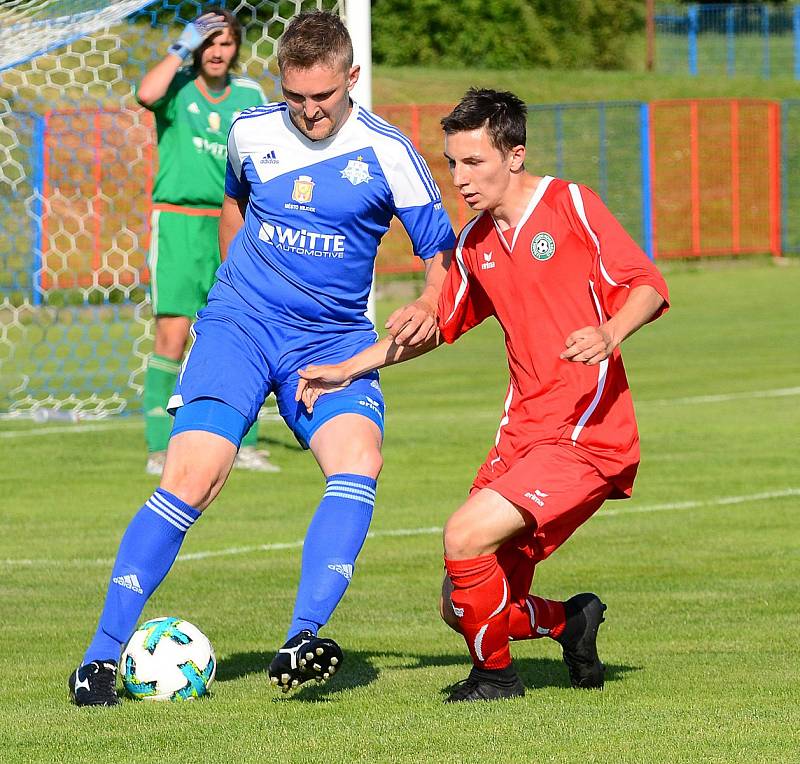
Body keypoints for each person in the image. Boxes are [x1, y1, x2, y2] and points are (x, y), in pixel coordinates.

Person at [68, 10, 455, 706]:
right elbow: (233, 200)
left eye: (324, 98)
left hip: (332, 342)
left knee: (358, 459)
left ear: (352, 79)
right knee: (195, 477)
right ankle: (98, 660)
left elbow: (441, 252)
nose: (308, 112)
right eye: (297, 95)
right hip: (240, 329)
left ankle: (303, 637)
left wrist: (429, 300)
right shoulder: (251, 130)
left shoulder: (388, 151)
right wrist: (233, 287)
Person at [294, 88, 670, 703]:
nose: (461, 180)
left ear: (514, 155)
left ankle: (497, 680)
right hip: (523, 435)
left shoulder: (571, 204)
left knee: (463, 536)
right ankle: (567, 621)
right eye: (452, 164)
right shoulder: (475, 245)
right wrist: (345, 369)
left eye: (474, 163)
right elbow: (432, 329)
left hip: (587, 433)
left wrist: (609, 331)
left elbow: (648, 285)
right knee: (460, 606)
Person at [136, 7, 279, 475]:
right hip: (178, 224)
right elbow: (145, 92)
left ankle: (247, 443)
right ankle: (161, 447)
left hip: (234, 220)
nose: (217, 52)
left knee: (239, 328)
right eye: (208, 43)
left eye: (225, 43)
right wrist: (181, 45)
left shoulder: (250, 95)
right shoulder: (177, 89)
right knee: (173, 333)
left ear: (236, 48)